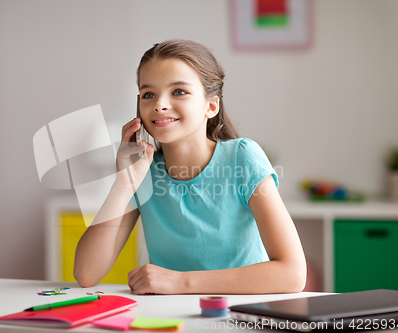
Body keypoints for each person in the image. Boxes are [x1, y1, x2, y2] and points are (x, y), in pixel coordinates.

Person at [74, 39, 306, 295]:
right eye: (148, 94)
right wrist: (124, 183)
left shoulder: (242, 158)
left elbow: (292, 274)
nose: (159, 104)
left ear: (211, 106)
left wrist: (180, 282)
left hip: (236, 315)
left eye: (179, 91)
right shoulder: (144, 174)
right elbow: (86, 274)